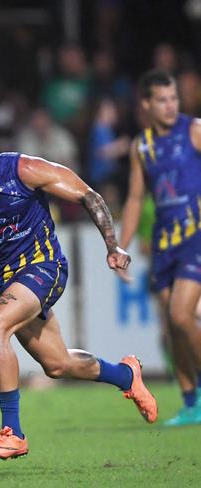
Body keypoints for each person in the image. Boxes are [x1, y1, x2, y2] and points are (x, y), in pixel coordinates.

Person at [0, 110, 157, 460]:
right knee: (57, 365)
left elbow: (89, 196)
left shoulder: (25, 170)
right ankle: (126, 375)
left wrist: (112, 244)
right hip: (9, 282)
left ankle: (13, 433)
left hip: (46, 267)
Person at [117, 69, 201, 426]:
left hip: (196, 236)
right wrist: (120, 246)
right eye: (162, 100)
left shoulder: (194, 130)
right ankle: (191, 402)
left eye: (174, 99)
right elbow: (136, 198)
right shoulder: (142, 145)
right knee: (171, 326)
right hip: (165, 244)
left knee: (183, 315)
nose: (170, 106)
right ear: (147, 104)